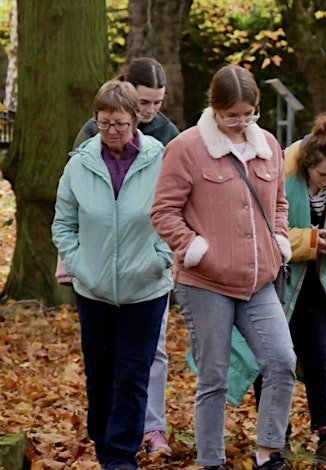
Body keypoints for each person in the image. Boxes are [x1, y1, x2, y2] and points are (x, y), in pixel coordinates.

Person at [150, 64, 296, 470]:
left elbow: (279, 202)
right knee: (214, 376)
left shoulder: (268, 143)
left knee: (282, 360)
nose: (241, 122)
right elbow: (163, 211)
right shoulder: (186, 147)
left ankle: (268, 452)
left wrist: (280, 239)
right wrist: (195, 247)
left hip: (260, 280)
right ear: (215, 108)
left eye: (249, 114)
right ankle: (210, 460)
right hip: (205, 282)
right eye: (233, 115)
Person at [52, 80, 173, 469]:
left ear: (135, 121)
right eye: (104, 123)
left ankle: (121, 457)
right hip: (94, 289)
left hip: (146, 287)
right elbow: (63, 224)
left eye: (119, 124)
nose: (111, 132)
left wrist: (160, 257)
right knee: (100, 376)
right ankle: (105, 447)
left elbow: (179, 215)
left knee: (133, 375)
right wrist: (80, 263)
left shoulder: (160, 160)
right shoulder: (80, 163)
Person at [245, 113, 326, 469]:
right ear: (308, 165)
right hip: (277, 283)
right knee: (271, 361)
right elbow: (268, 232)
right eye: (322, 174)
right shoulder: (280, 179)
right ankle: (274, 437)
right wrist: (313, 240)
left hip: (319, 285)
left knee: (325, 357)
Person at [74, 57, 180, 148]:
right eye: (143, 102)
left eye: (157, 103)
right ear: (127, 92)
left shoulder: (169, 134)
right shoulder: (94, 129)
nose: (151, 111)